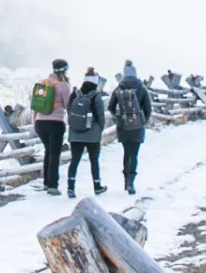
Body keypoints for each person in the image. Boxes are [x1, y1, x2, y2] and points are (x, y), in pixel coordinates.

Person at [109, 61, 153, 195]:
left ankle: (125, 180)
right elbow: (148, 109)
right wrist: (142, 121)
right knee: (134, 154)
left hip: (123, 126)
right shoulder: (141, 88)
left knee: (126, 152)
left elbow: (110, 107)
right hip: (137, 127)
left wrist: (118, 118)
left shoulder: (118, 88)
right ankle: (131, 183)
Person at [30, 59, 72, 194]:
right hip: (56, 123)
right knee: (54, 154)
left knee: (48, 151)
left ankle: (46, 182)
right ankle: (52, 185)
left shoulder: (42, 84)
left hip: (40, 123)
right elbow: (68, 105)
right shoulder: (63, 85)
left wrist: (34, 123)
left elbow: (35, 106)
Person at [65, 72, 106, 196]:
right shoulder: (96, 96)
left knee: (74, 160)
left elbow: (69, 110)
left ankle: (70, 187)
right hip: (92, 135)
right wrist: (99, 129)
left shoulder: (75, 94)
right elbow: (100, 116)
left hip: (75, 134)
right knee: (94, 161)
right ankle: (97, 186)